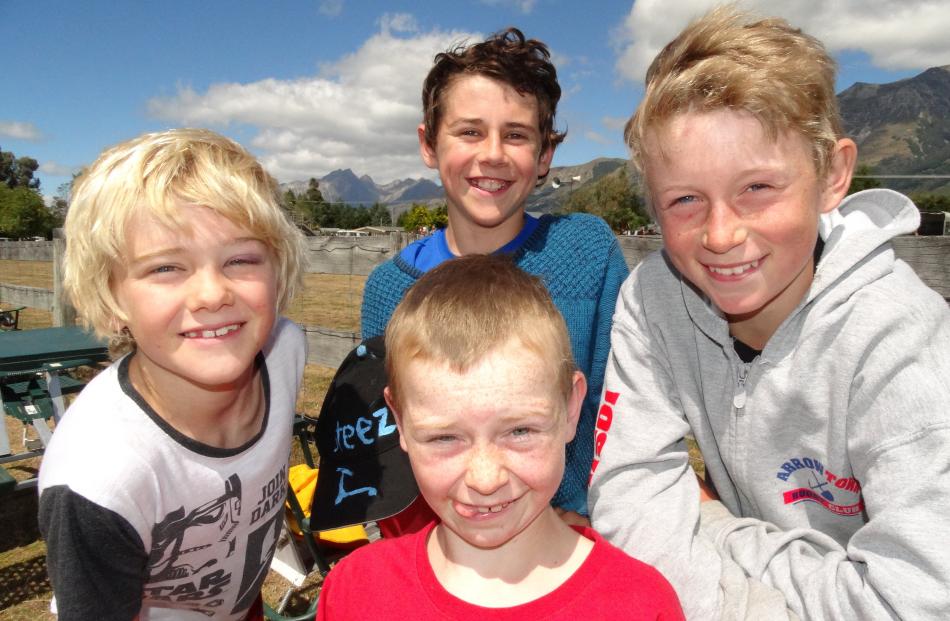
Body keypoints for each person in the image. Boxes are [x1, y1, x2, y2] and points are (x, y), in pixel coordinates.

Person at [589, 6, 950, 620]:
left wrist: (713, 523)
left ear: (832, 173)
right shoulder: (653, 300)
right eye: (685, 200)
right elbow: (629, 496)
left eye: (757, 187)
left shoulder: (900, 339)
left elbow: (914, 602)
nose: (722, 234)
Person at [360, 27, 629, 525]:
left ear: (545, 154)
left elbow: (621, 404)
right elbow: (395, 445)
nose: (493, 153)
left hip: (580, 534)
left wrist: (580, 512)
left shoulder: (587, 252)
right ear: (428, 142)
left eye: (517, 134)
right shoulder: (387, 290)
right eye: (469, 131)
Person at [317, 255, 683, 620]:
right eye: (445, 438)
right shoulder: (354, 591)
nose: (485, 479)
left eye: (520, 431)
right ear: (399, 421)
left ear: (571, 409)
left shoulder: (642, 605)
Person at [37, 128, 308, 620]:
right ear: (113, 296)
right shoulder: (99, 481)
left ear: (278, 268)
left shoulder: (285, 351)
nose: (212, 293)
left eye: (241, 259)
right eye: (165, 268)